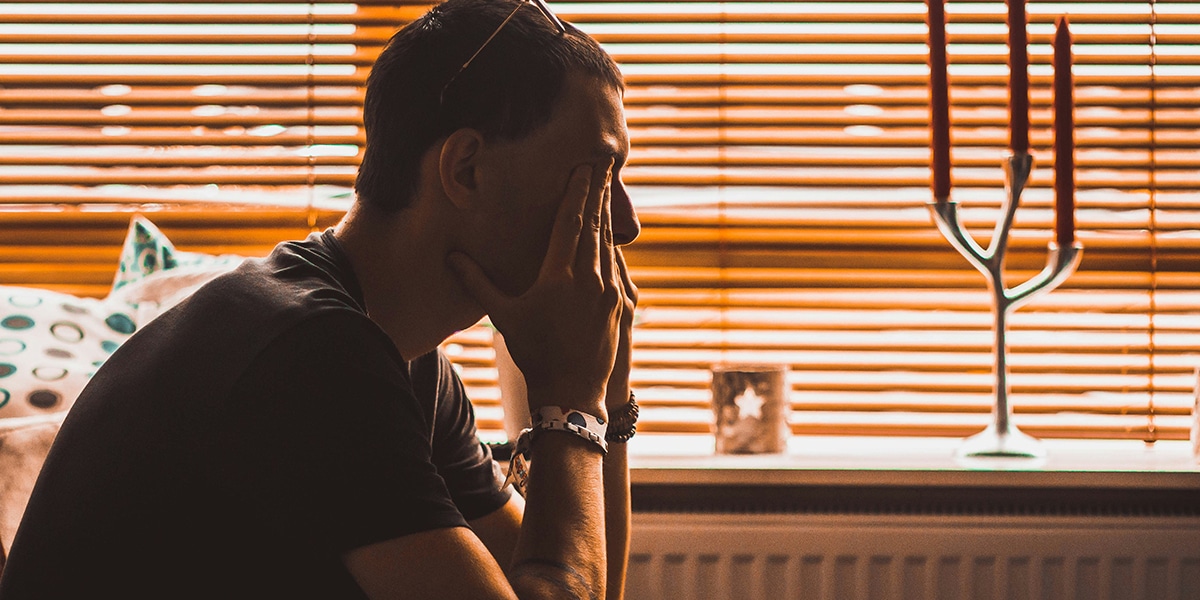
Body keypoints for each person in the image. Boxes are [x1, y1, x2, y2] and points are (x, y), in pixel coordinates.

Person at [0, 0, 640, 597]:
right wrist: (572, 401)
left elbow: (573, 582)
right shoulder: (308, 354)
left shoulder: (404, 361)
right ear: (465, 168)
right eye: (598, 174)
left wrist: (603, 393)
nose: (626, 223)